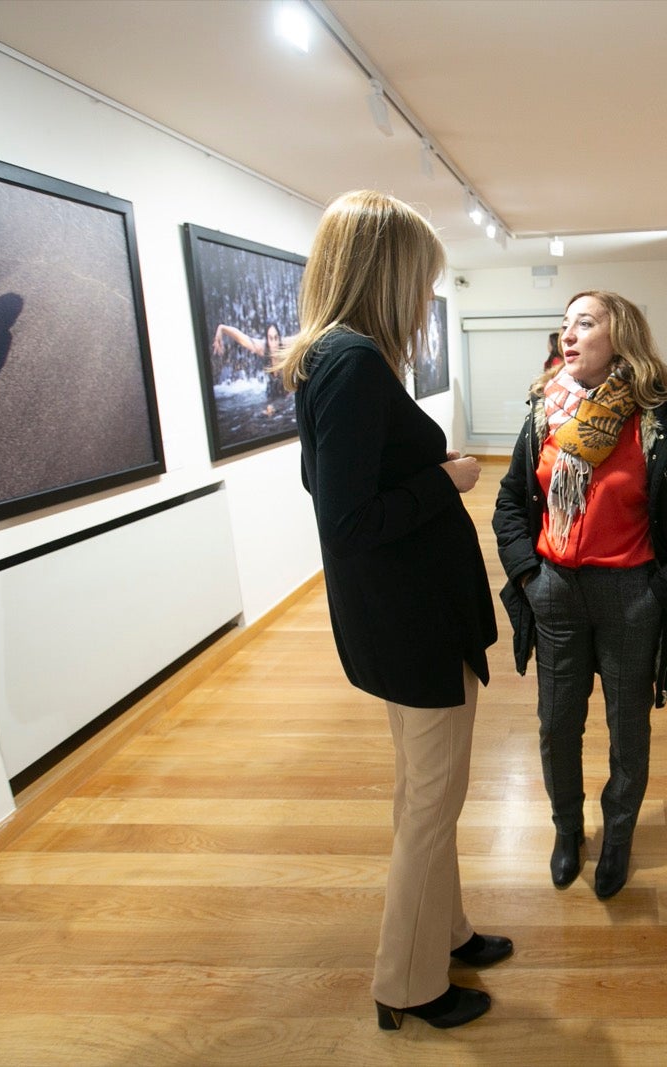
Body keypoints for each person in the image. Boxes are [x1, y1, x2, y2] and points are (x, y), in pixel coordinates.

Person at [276, 190, 508, 1032]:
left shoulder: (336, 358)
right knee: (430, 802)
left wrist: (418, 473)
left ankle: (445, 930)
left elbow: (335, 483)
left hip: (406, 615)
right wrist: (441, 480)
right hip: (410, 621)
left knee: (428, 790)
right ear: (385, 272)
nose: (423, 301)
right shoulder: (352, 363)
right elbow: (344, 518)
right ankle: (407, 983)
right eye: (420, 281)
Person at [493, 290, 667, 900]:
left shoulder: (662, 419)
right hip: (555, 593)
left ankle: (618, 836)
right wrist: (528, 574)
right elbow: (511, 504)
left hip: (630, 596)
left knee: (627, 731)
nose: (567, 336)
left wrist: (661, 590)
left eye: (584, 323)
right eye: (564, 326)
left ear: (620, 335)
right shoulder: (545, 410)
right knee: (556, 727)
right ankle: (567, 831)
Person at [214, 322, 287, 411]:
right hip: (271, 397)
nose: (274, 343)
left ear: (279, 338)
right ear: (267, 340)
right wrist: (222, 328)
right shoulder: (264, 350)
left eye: (276, 338)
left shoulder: (286, 349)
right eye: (271, 338)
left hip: (286, 401)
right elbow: (242, 339)